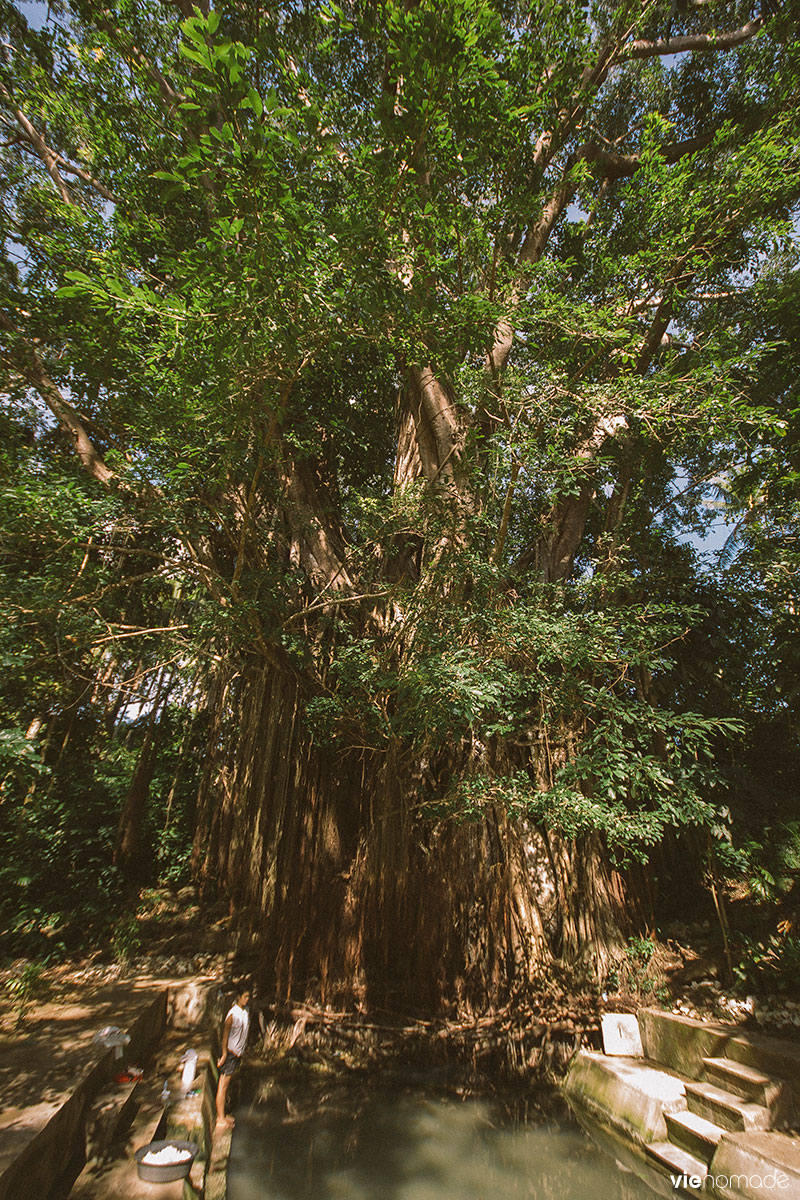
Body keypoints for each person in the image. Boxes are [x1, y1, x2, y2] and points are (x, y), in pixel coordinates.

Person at [216, 981, 250, 1127]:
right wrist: (224, 1054)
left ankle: (223, 1115)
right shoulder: (232, 1015)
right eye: (245, 996)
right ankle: (220, 1119)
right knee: (223, 1086)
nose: (247, 999)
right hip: (230, 1054)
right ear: (238, 997)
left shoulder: (245, 1011)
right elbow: (225, 1036)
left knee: (227, 1086)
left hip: (237, 1055)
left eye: (249, 996)